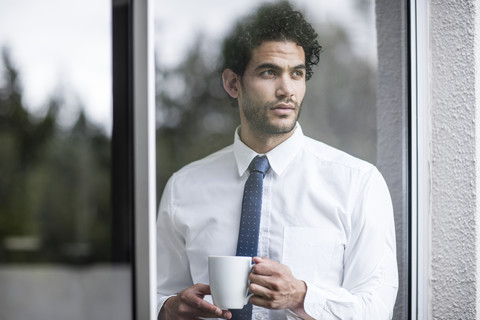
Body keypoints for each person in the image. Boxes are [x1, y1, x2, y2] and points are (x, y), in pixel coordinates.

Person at [156, 2, 398, 319]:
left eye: (296, 74)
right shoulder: (184, 188)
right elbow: (156, 293)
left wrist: (302, 297)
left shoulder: (357, 184)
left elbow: (377, 309)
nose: (287, 89)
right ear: (233, 83)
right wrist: (168, 308)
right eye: (269, 72)